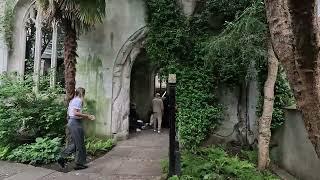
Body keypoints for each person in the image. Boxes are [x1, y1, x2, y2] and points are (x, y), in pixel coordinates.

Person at [57, 87, 95, 170]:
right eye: (84, 94)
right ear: (82, 93)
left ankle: (61, 157)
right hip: (75, 123)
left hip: (72, 122)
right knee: (80, 145)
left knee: (75, 144)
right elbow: (75, 113)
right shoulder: (78, 100)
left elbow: (72, 113)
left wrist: (83, 116)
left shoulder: (73, 100)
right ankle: (79, 164)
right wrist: (88, 116)